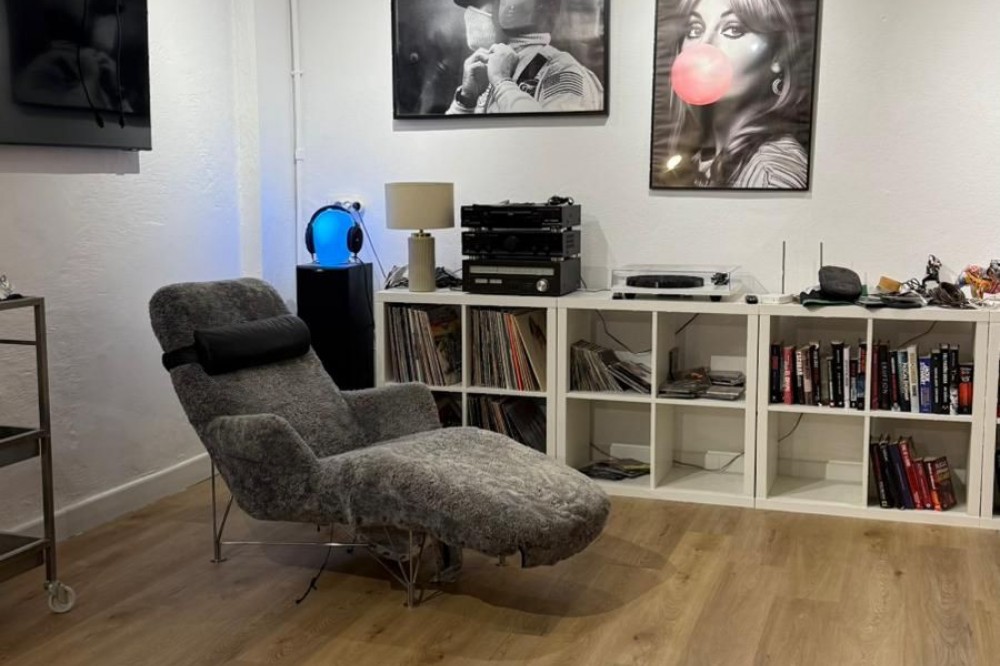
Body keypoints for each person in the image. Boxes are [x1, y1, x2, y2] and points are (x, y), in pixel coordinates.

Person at [653, 0, 813, 188]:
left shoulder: (773, 175)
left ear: (778, 55)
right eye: (694, 30)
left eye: (734, 30)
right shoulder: (699, 162)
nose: (703, 45)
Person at [447, 0, 604, 115]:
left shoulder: (562, 70)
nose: (471, 13)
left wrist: (502, 83)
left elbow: (548, 139)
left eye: (481, 4)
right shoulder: (486, 71)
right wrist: (466, 101)